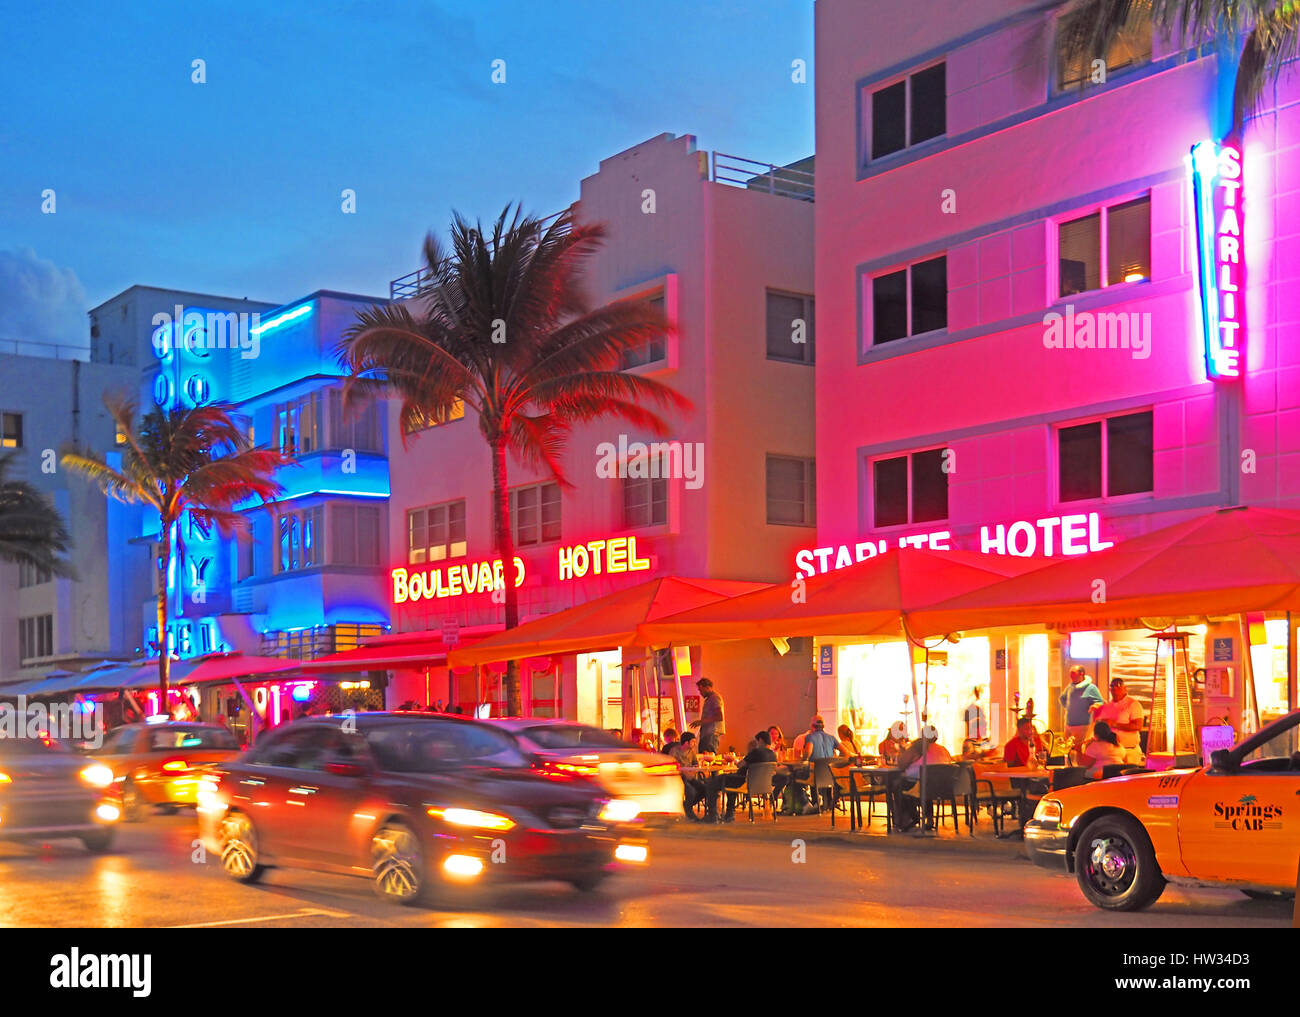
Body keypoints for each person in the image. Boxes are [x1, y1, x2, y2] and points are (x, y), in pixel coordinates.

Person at [891, 726, 952, 831]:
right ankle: (928, 817)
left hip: (919, 785)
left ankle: (907, 817)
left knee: (896, 784)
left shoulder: (918, 748)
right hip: (942, 788)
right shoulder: (943, 750)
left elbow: (901, 765)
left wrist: (902, 752)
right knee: (926, 783)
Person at [720, 730, 778, 821]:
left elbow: (740, 765)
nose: (757, 744)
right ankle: (728, 813)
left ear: (761, 740)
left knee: (720, 780)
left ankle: (723, 813)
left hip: (745, 782)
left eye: (757, 741)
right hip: (764, 785)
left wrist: (735, 760)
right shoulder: (773, 755)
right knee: (730, 779)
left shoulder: (756, 752)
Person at [1091, 678, 1146, 765]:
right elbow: (1099, 725)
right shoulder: (1107, 706)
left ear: (1125, 688)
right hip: (1111, 752)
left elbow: (1138, 726)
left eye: (1118, 687)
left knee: (1129, 775)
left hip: (1129, 751)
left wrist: (1114, 724)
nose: (1115, 691)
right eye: (1112, 688)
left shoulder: (1133, 704)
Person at [1059, 666, 1103, 753]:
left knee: (1080, 750)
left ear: (1081, 674)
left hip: (1083, 726)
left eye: (1073, 673)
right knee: (1068, 751)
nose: (1071, 676)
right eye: (1070, 673)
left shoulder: (1091, 688)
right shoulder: (1070, 687)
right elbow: (1062, 698)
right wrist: (1070, 708)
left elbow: (1100, 702)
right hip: (1068, 725)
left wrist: (1094, 706)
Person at [669, 731, 708, 820]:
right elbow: (672, 765)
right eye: (693, 741)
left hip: (690, 776)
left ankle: (686, 806)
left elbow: (695, 764)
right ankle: (689, 812)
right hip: (678, 777)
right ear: (686, 742)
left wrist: (692, 773)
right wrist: (685, 772)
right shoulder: (674, 751)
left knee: (704, 789)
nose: (695, 744)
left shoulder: (691, 752)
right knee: (690, 791)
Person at [696, 678, 725, 754]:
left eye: (701, 690)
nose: (700, 693)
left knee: (708, 757)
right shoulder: (709, 699)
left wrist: (701, 721)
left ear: (707, 687)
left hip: (711, 734)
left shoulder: (714, 698)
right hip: (707, 734)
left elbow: (719, 716)